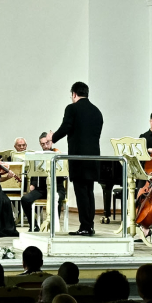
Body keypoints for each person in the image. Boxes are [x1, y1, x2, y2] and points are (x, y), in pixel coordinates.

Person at [46, 81, 104, 236]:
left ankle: (85, 227)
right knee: (89, 191)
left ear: (74, 94)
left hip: (78, 157)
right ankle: (89, 225)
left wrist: (53, 137)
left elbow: (66, 127)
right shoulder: (97, 111)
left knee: (81, 192)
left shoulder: (72, 108)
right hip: (93, 158)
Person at [21, 133, 64, 230]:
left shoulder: (58, 155)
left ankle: (53, 226)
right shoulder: (38, 156)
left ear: (51, 142)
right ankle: (34, 225)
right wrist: (33, 184)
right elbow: (34, 171)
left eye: (47, 143)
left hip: (57, 188)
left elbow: (63, 175)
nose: (45, 146)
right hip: (41, 189)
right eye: (42, 144)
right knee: (25, 199)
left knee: (55, 198)